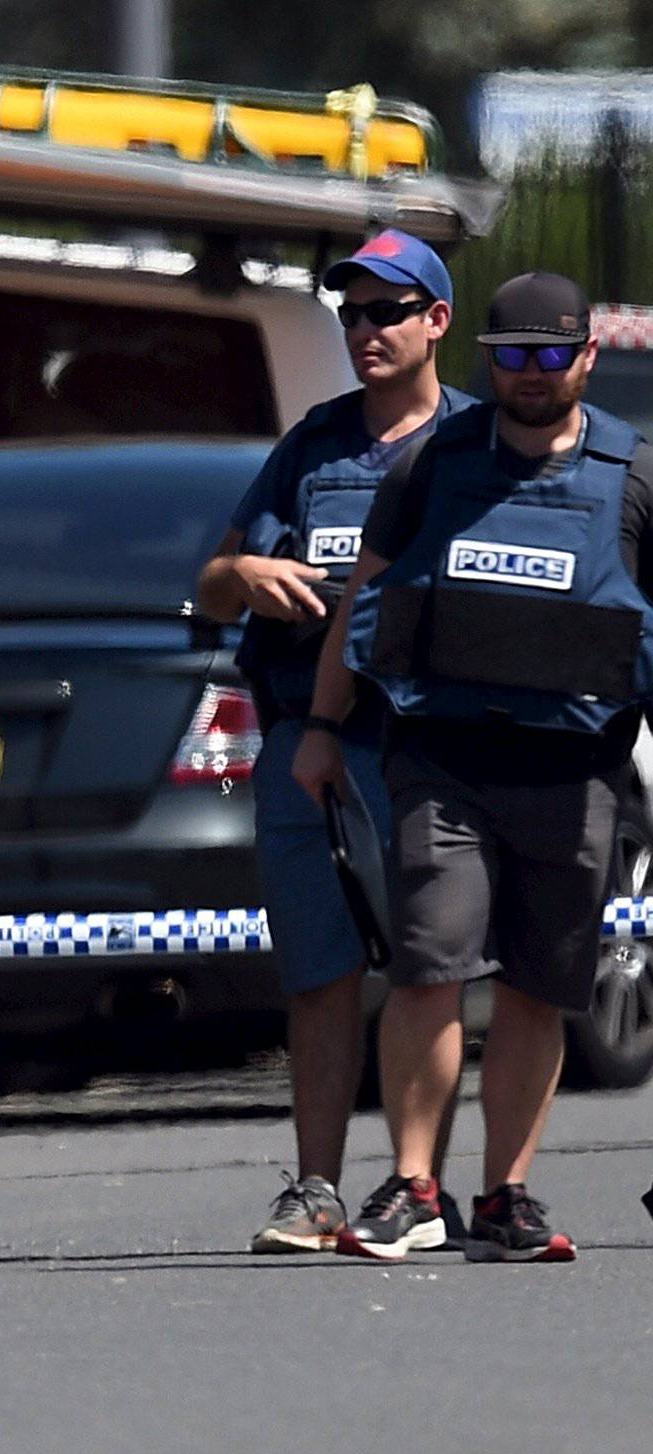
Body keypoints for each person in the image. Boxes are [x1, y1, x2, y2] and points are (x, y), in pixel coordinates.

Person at [295, 270, 653, 1264]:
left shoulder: (634, 479)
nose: (532, 375)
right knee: (431, 962)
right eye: (512, 359)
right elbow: (360, 608)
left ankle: (506, 1195)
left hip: (572, 767)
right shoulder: (431, 466)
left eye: (551, 355)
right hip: (441, 756)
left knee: (543, 985)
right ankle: (415, 1186)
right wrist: (323, 728)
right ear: (487, 363)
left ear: (586, 357)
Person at [195, 229, 473, 1253]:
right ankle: (313, 1191)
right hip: (304, 744)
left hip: (428, 748)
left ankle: (417, 1188)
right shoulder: (313, 444)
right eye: (350, 314)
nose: (363, 330)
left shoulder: (477, 444)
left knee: (426, 970)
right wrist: (248, 581)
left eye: (386, 311)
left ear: (436, 320)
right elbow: (211, 580)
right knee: (316, 974)